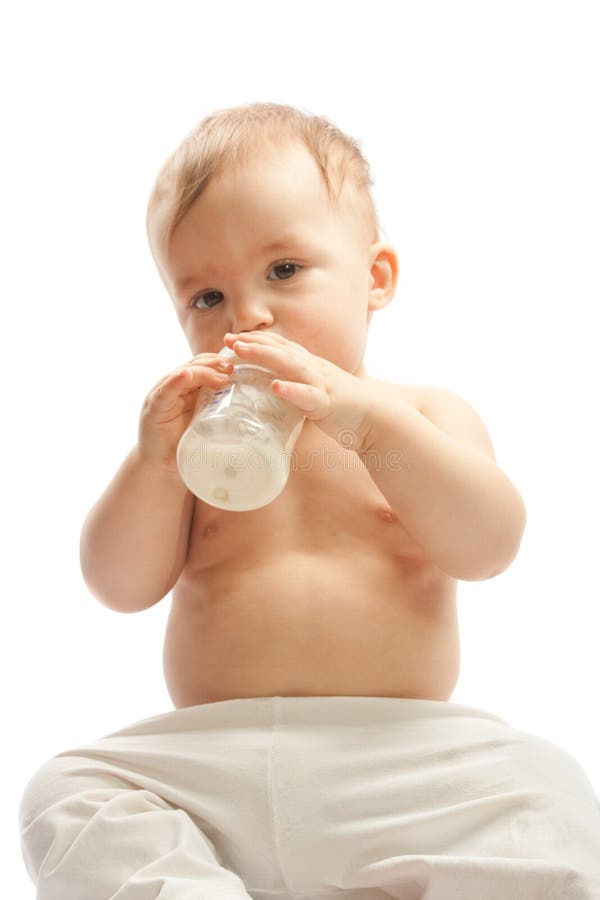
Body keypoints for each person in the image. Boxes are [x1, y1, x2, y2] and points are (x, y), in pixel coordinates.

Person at [19, 102, 600, 900]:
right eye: (205, 298)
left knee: (548, 792)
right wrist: (153, 463)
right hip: (212, 765)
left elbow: (488, 545)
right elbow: (118, 586)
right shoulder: (192, 446)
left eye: (283, 272)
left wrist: (369, 427)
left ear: (376, 278)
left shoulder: (421, 419)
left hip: (397, 763)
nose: (246, 316)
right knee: (66, 792)